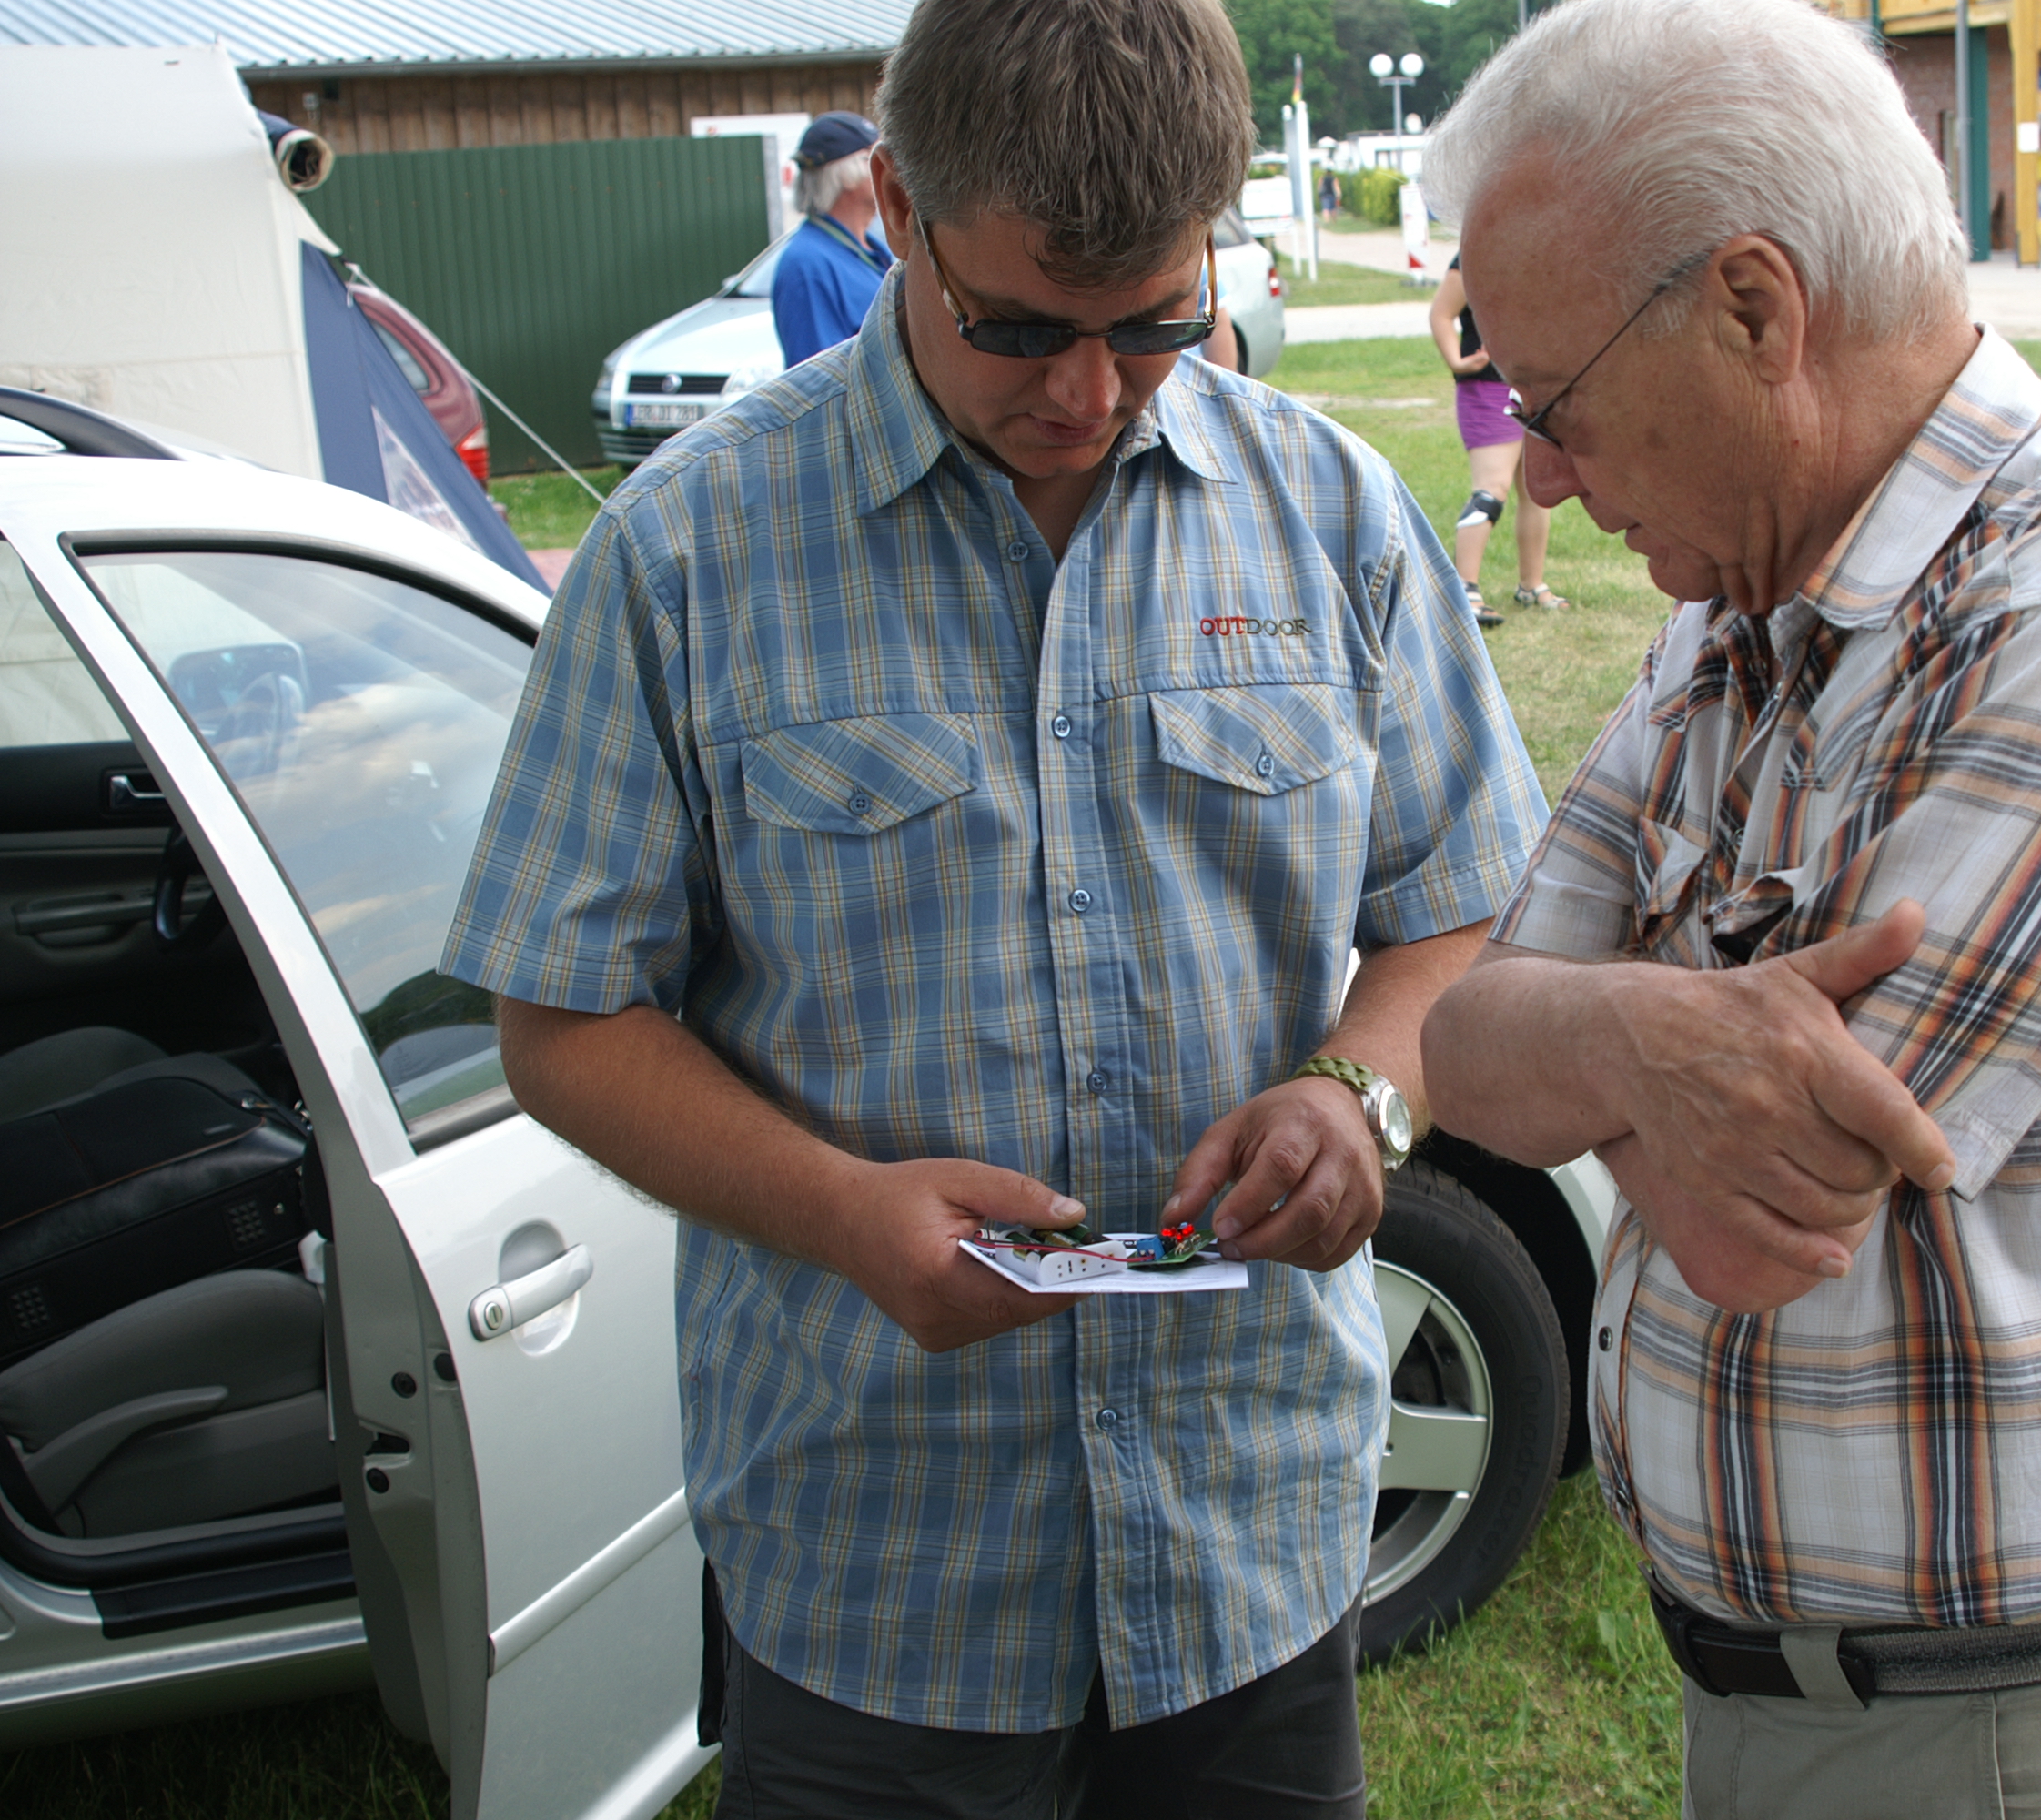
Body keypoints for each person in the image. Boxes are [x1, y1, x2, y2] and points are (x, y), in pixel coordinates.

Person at [440, 0, 1546, 1813]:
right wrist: (842, 1214)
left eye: (1156, 324)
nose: (1088, 394)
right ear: (893, 208)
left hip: (1250, 1544)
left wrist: (1361, 1092)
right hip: (875, 1567)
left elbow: (1461, 905)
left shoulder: (1332, 515)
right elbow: (561, 1018)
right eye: (1021, 327)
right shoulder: (687, 550)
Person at [1419, 2, 2041, 1815]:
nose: (1542, 473)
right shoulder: (1738, 602)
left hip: (2027, 1739)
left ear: (1754, 312)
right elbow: (1465, 1051)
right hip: (1817, 1705)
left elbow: (1768, 1211)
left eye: (1558, 404)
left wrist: (1595, 1037)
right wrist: (1642, 1040)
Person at [1430, 253, 1570, 628]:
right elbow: (1441, 314)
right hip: (1487, 386)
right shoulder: (1474, 254)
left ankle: (1531, 586)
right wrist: (1456, 361)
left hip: (1536, 384)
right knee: (1491, 489)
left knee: (1536, 488)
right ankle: (1463, 590)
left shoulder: (1546, 249)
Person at [770, 110, 895, 367]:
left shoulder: (873, 249)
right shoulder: (807, 265)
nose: (891, 170)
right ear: (846, 175)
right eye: (876, 159)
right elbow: (816, 376)